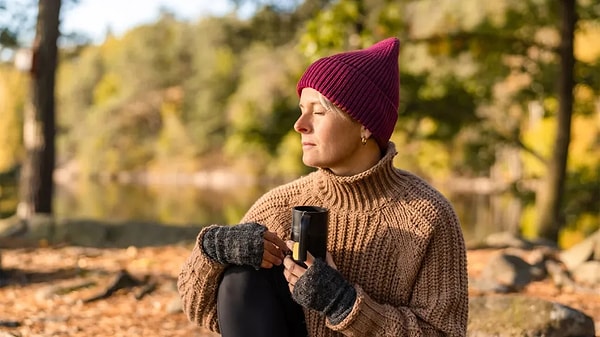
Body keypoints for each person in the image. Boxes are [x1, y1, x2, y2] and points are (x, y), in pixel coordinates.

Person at [178, 37, 468, 337]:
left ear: (365, 125)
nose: (299, 124)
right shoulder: (280, 204)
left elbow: (444, 332)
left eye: (317, 111)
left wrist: (343, 303)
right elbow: (205, 310)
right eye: (301, 109)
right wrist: (212, 250)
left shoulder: (428, 216)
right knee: (240, 276)